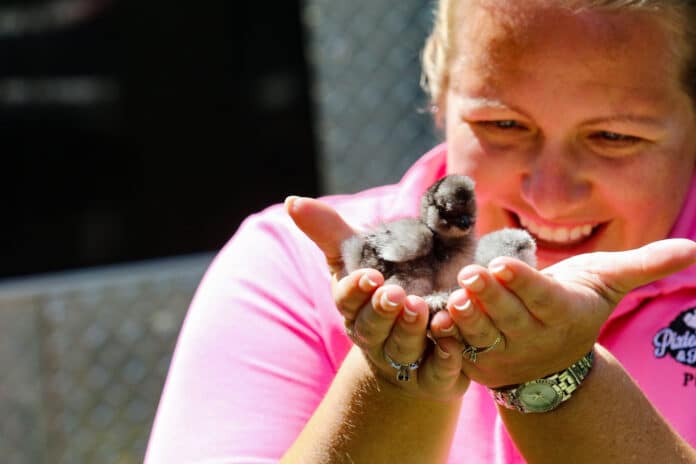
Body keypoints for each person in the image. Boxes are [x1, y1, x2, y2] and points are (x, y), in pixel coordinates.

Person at [145, 0, 696, 462]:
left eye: (615, 137)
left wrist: (555, 377)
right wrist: (391, 381)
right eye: (502, 125)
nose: (548, 194)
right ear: (439, 94)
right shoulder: (291, 265)